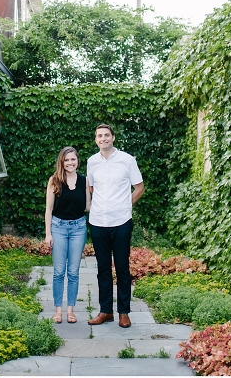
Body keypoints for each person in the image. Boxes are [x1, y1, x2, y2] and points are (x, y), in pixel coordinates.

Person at [86, 124, 144, 328]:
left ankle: (124, 312)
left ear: (113, 137)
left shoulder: (127, 160)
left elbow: (139, 188)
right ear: (96, 139)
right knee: (102, 268)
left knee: (122, 268)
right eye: (99, 136)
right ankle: (105, 311)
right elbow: (92, 188)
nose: (103, 139)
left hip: (121, 222)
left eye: (106, 135)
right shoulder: (91, 162)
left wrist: (124, 206)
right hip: (98, 222)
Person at [45, 146, 90, 324]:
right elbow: (48, 209)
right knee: (58, 271)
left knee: (73, 272)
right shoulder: (54, 181)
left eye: (73, 159)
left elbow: (88, 207)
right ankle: (58, 311)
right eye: (67, 160)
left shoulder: (84, 181)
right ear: (62, 162)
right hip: (58, 228)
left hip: (79, 228)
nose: (70, 162)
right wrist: (48, 233)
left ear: (78, 161)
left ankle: (70, 311)